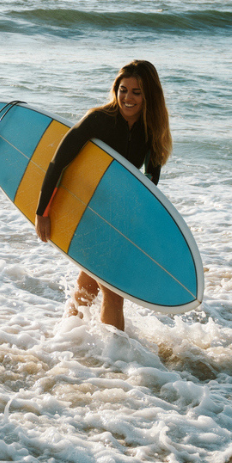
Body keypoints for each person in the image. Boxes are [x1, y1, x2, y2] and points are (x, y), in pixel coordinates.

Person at [35, 60, 172, 332]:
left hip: (118, 218)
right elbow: (57, 163)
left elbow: (150, 185)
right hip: (87, 211)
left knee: (88, 285)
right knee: (113, 291)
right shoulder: (98, 120)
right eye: (123, 89)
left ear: (149, 97)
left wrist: (140, 226)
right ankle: (116, 362)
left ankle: (67, 338)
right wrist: (42, 212)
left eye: (136, 92)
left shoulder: (151, 130)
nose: (127, 98)